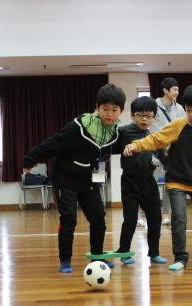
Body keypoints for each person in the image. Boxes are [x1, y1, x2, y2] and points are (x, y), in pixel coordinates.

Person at [123, 84, 192, 271]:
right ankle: (181, 257)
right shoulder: (178, 125)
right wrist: (135, 145)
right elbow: (156, 139)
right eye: (188, 110)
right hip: (177, 181)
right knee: (179, 219)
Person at [22, 83, 126, 273]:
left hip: (89, 182)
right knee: (69, 218)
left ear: (121, 111)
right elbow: (53, 143)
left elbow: (109, 154)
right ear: (97, 107)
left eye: (114, 110)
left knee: (98, 218)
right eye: (105, 109)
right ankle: (65, 260)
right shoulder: (79, 127)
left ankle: (97, 255)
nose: (109, 114)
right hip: (65, 179)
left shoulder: (114, 132)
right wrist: (30, 158)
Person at [113, 96, 168, 266]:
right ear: (132, 115)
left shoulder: (154, 136)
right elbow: (109, 148)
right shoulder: (123, 132)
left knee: (155, 219)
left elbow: (163, 157)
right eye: (140, 115)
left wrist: (165, 162)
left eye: (149, 116)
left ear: (154, 117)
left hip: (148, 181)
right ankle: (124, 253)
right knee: (130, 220)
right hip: (129, 181)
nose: (144, 119)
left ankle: (154, 253)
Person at [149, 77, 187, 227]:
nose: (177, 92)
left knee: (169, 184)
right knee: (149, 183)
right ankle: (143, 216)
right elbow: (146, 123)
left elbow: (184, 127)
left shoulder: (180, 109)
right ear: (165, 90)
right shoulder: (154, 105)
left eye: (178, 90)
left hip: (172, 151)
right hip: (155, 149)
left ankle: (165, 215)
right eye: (174, 90)